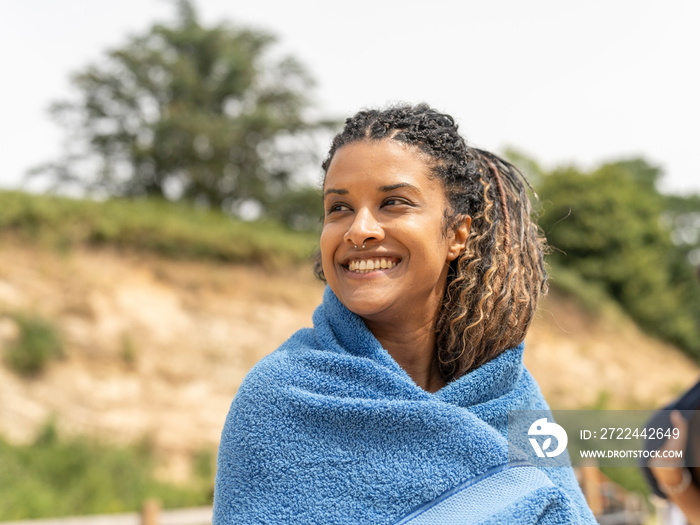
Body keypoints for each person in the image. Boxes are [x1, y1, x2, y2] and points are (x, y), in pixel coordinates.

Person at [213, 104, 596, 523]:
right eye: (338, 208)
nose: (359, 229)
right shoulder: (278, 401)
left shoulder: (513, 398)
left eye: (393, 202)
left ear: (456, 234)